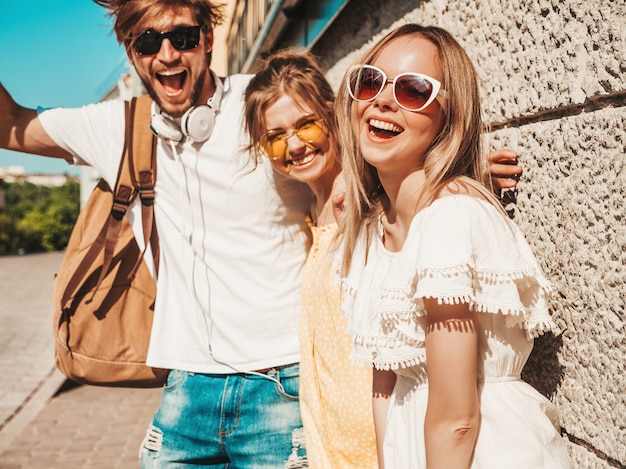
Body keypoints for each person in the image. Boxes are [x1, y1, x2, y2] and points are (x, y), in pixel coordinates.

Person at [0, 1, 311, 467]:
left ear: (207, 39)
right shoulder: (120, 126)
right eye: (148, 41)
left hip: (283, 387)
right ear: (132, 53)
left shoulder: (262, 103)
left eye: (182, 37)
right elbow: (11, 125)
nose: (166, 54)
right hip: (186, 391)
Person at [243, 49, 526, 468]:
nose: (296, 144)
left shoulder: (356, 200)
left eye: (306, 125)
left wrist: (465, 170)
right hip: (332, 434)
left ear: (334, 114)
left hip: (378, 434)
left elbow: (411, 195)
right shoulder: (313, 208)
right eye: (276, 137)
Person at [335, 24, 573, 468]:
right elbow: (383, 388)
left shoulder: (450, 219)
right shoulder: (371, 231)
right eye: (370, 81)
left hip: (483, 449)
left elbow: (457, 419)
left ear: (450, 116)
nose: (382, 100)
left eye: (412, 90)